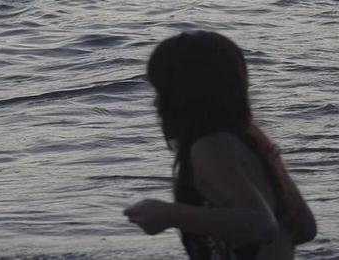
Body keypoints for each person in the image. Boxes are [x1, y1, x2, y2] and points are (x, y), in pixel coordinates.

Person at [124, 31, 317, 260]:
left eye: (160, 91)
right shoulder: (254, 141)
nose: (155, 103)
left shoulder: (208, 149)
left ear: (182, 96)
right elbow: (305, 228)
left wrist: (169, 215)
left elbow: (261, 226)